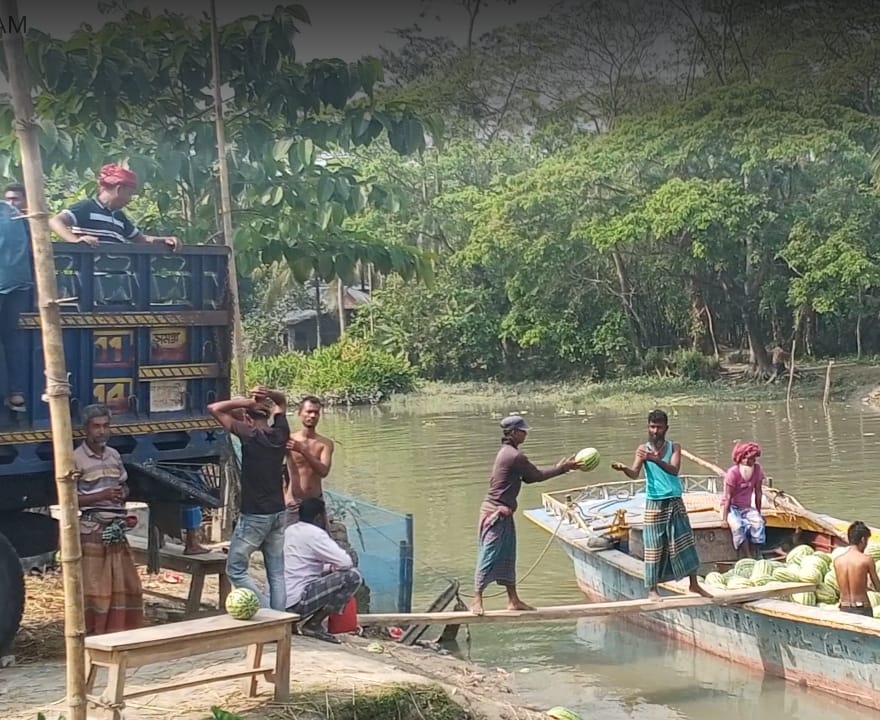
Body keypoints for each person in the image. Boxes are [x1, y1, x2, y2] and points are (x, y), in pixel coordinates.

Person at [471, 415, 579, 616]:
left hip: (504, 513)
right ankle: (476, 599)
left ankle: (513, 600)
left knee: (508, 556)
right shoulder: (513, 456)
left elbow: (528, 478)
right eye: (522, 431)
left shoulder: (509, 453)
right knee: (488, 555)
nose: (525, 434)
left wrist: (561, 469)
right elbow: (536, 476)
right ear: (513, 433)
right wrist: (562, 469)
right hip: (495, 514)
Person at [611, 409, 711, 601]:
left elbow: (674, 470)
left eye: (659, 427)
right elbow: (634, 473)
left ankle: (694, 584)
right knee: (653, 546)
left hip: (674, 500)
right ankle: (652, 590)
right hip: (654, 502)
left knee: (685, 542)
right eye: (652, 427)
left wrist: (654, 459)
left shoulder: (674, 447)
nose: (655, 431)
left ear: (666, 428)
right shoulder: (643, 449)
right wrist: (624, 469)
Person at [208, 386, 289, 610]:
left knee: (235, 569)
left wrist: (247, 402)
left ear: (248, 418)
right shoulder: (280, 433)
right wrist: (269, 393)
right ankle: (280, 618)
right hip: (278, 511)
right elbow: (282, 401)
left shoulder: (249, 434)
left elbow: (214, 408)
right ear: (269, 416)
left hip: (255, 514)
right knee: (276, 573)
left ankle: (268, 612)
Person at [74, 404, 144, 635]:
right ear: (86, 429)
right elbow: (69, 500)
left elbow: (123, 485)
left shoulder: (114, 455)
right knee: (96, 587)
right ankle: (94, 633)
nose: (102, 431)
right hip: (92, 529)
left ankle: (120, 632)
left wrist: (123, 492)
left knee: (125, 584)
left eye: (106, 426)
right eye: (96, 426)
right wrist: (101, 496)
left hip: (116, 529)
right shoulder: (75, 459)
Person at [284, 497, 362, 642]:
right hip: (297, 603)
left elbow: (302, 565)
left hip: (279, 603)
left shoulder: (290, 530)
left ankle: (294, 623)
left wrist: (329, 568)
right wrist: (333, 568)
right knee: (353, 576)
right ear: (319, 517)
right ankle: (314, 624)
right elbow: (346, 563)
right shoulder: (315, 534)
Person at [48, 164, 179, 249]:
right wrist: (75, 241)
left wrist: (164, 240)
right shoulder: (86, 208)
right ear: (118, 189)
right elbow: (55, 221)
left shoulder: (119, 216)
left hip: (116, 276)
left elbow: (141, 239)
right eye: (129, 193)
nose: (130, 200)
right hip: (91, 275)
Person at [0, 186, 32, 412]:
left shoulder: (12, 216)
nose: (11, 203)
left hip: (12, 284)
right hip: (20, 284)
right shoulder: (28, 219)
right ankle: (16, 393)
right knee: (12, 338)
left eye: (15, 199)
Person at [284, 395, 335, 521]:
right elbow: (276, 469)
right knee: (290, 533)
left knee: (317, 533)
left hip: (315, 500)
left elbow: (323, 471)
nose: (312, 416)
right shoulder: (289, 440)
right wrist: (285, 495)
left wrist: (303, 450)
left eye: (316, 412)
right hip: (293, 501)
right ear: (300, 413)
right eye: (309, 411)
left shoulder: (325, 444)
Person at [719, 442, 766, 559]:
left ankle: (755, 551)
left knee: (758, 524)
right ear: (742, 458)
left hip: (746, 507)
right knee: (738, 526)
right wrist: (724, 519)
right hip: (731, 507)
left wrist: (759, 513)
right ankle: (747, 555)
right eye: (750, 458)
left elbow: (758, 493)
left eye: (754, 459)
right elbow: (728, 497)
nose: (753, 461)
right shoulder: (733, 473)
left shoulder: (757, 470)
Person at [834, 521, 880, 617]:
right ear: (863, 540)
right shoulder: (866, 560)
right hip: (862, 608)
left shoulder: (838, 561)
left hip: (844, 608)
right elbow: (878, 587)